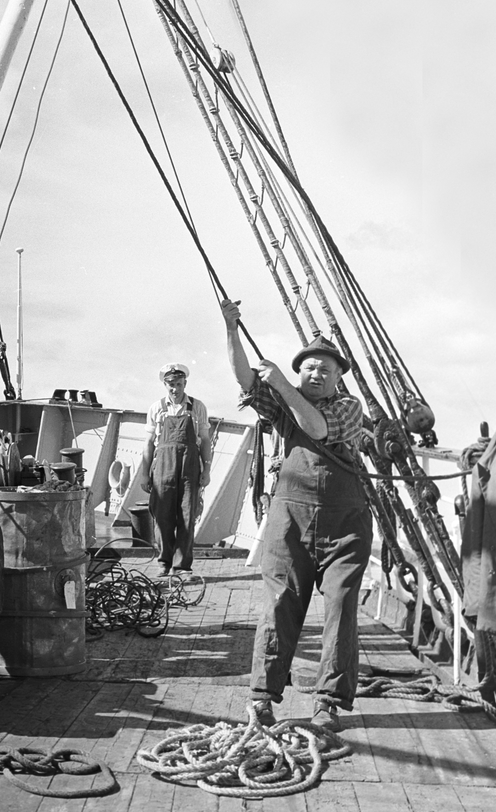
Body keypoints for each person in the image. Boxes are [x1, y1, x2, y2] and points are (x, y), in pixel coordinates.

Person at [221, 300, 370, 733]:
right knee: (279, 605)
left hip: (346, 528)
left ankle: (328, 703)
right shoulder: (288, 402)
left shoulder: (347, 408)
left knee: (341, 610)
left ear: (339, 377)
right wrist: (232, 329)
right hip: (290, 522)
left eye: (325, 368)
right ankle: (263, 698)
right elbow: (244, 377)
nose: (316, 374)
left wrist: (285, 385)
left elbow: (318, 428)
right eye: (308, 368)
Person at [139, 362, 215, 574]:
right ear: (165, 384)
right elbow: (148, 443)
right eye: (171, 384)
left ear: (185, 383)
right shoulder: (156, 408)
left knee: (187, 515)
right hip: (163, 466)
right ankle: (164, 563)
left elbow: (205, 440)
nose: (175, 388)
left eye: (179, 384)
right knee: (162, 515)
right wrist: (145, 474)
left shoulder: (197, 407)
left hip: (190, 468)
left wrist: (206, 470)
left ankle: (181, 566)